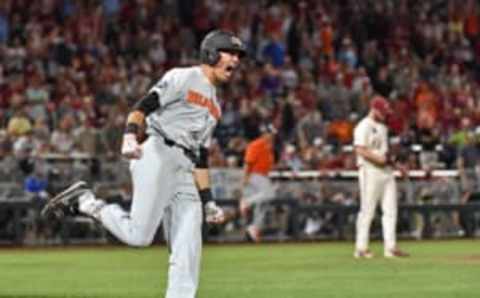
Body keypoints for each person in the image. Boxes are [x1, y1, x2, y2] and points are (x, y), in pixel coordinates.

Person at [41, 30, 247, 298]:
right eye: (229, 52)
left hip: (185, 170)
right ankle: (86, 202)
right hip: (158, 153)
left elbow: (202, 156)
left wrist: (208, 200)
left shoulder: (215, 106)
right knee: (139, 236)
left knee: (188, 249)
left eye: (238, 55)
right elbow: (144, 105)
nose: (236, 60)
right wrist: (129, 134)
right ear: (210, 52)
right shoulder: (184, 77)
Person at [353, 95, 409, 259]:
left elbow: (385, 154)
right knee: (367, 211)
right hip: (370, 171)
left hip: (386, 172)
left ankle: (390, 248)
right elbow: (360, 150)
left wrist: (398, 166)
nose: (385, 114)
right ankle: (361, 248)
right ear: (374, 109)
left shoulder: (382, 127)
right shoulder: (363, 126)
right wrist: (380, 160)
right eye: (383, 111)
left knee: (391, 210)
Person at [239, 123, 276, 242]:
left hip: (263, 176)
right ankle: (246, 202)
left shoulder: (268, 146)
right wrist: (244, 179)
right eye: (270, 133)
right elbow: (247, 163)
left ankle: (254, 228)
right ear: (264, 133)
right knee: (269, 195)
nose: (272, 135)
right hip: (255, 175)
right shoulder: (256, 144)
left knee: (262, 204)